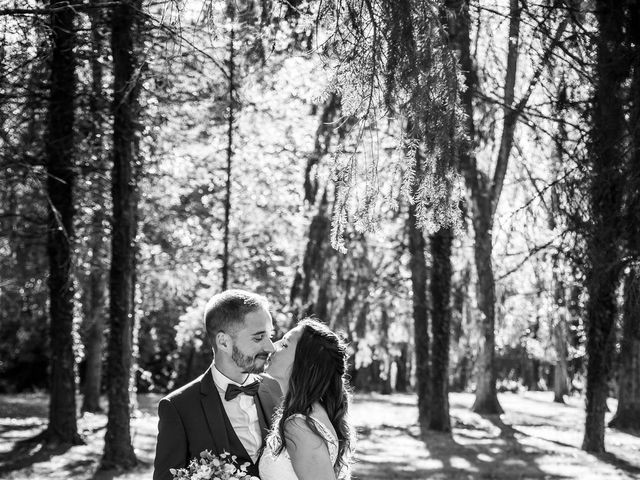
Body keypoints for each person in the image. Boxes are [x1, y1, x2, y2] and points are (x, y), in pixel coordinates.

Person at [153, 289, 282, 480]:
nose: (270, 347)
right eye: (258, 337)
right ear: (223, 342)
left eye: (270, 336)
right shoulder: (178, 407)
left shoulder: (274, 388)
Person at [259, 318, 355, 480]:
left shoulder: (300, 426)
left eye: (285, 345)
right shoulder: (303, 417)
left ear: (304, 362)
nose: (273, 347)